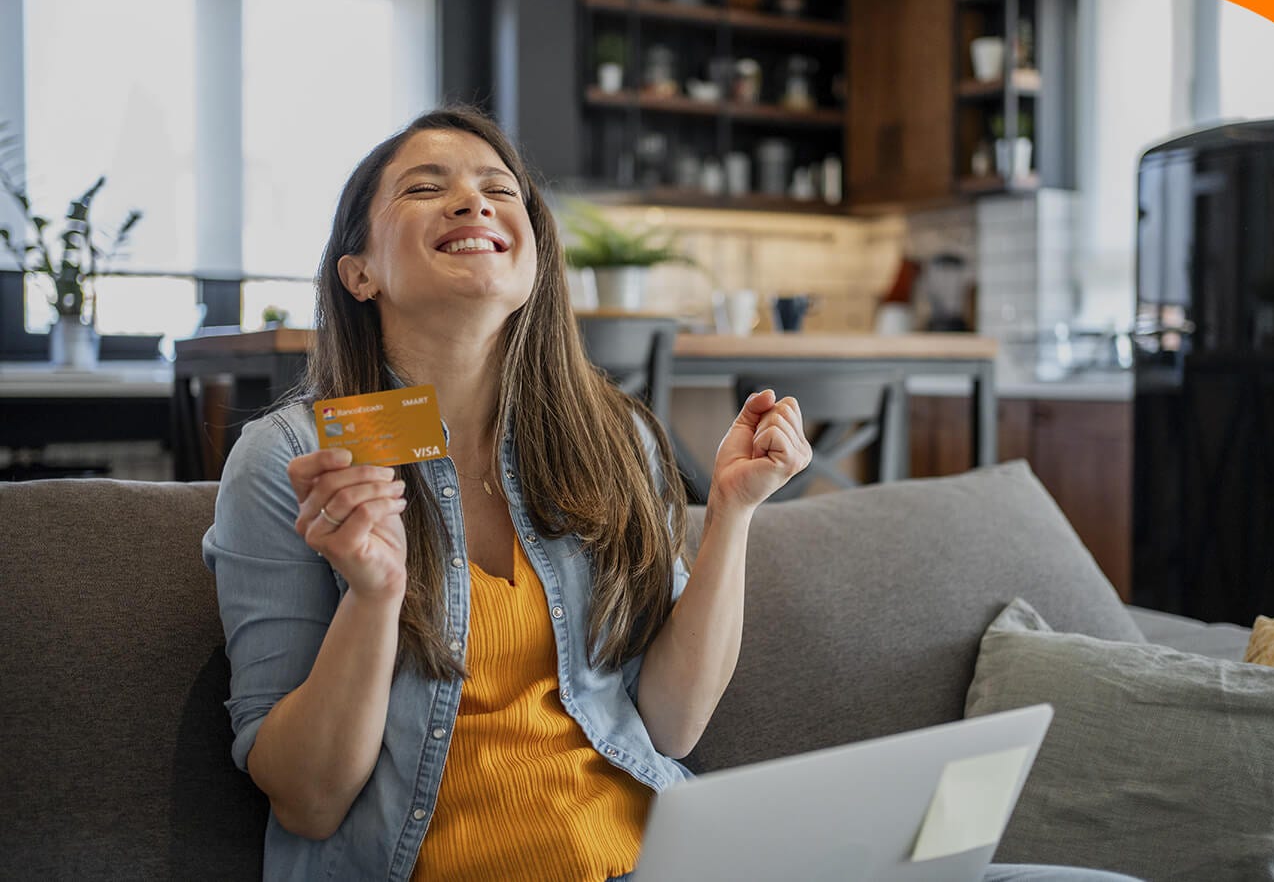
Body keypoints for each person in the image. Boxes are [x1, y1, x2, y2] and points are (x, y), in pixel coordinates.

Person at [205, 105, 1136, 882]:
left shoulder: (609, 440)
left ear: (533, 258)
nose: (474, 199)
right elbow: (310, 796)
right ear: (358, 272)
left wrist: (729, 514)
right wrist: (373, 596)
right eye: (425, 185)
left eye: (500, 188)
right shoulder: (293, 461)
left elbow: (671, 723)